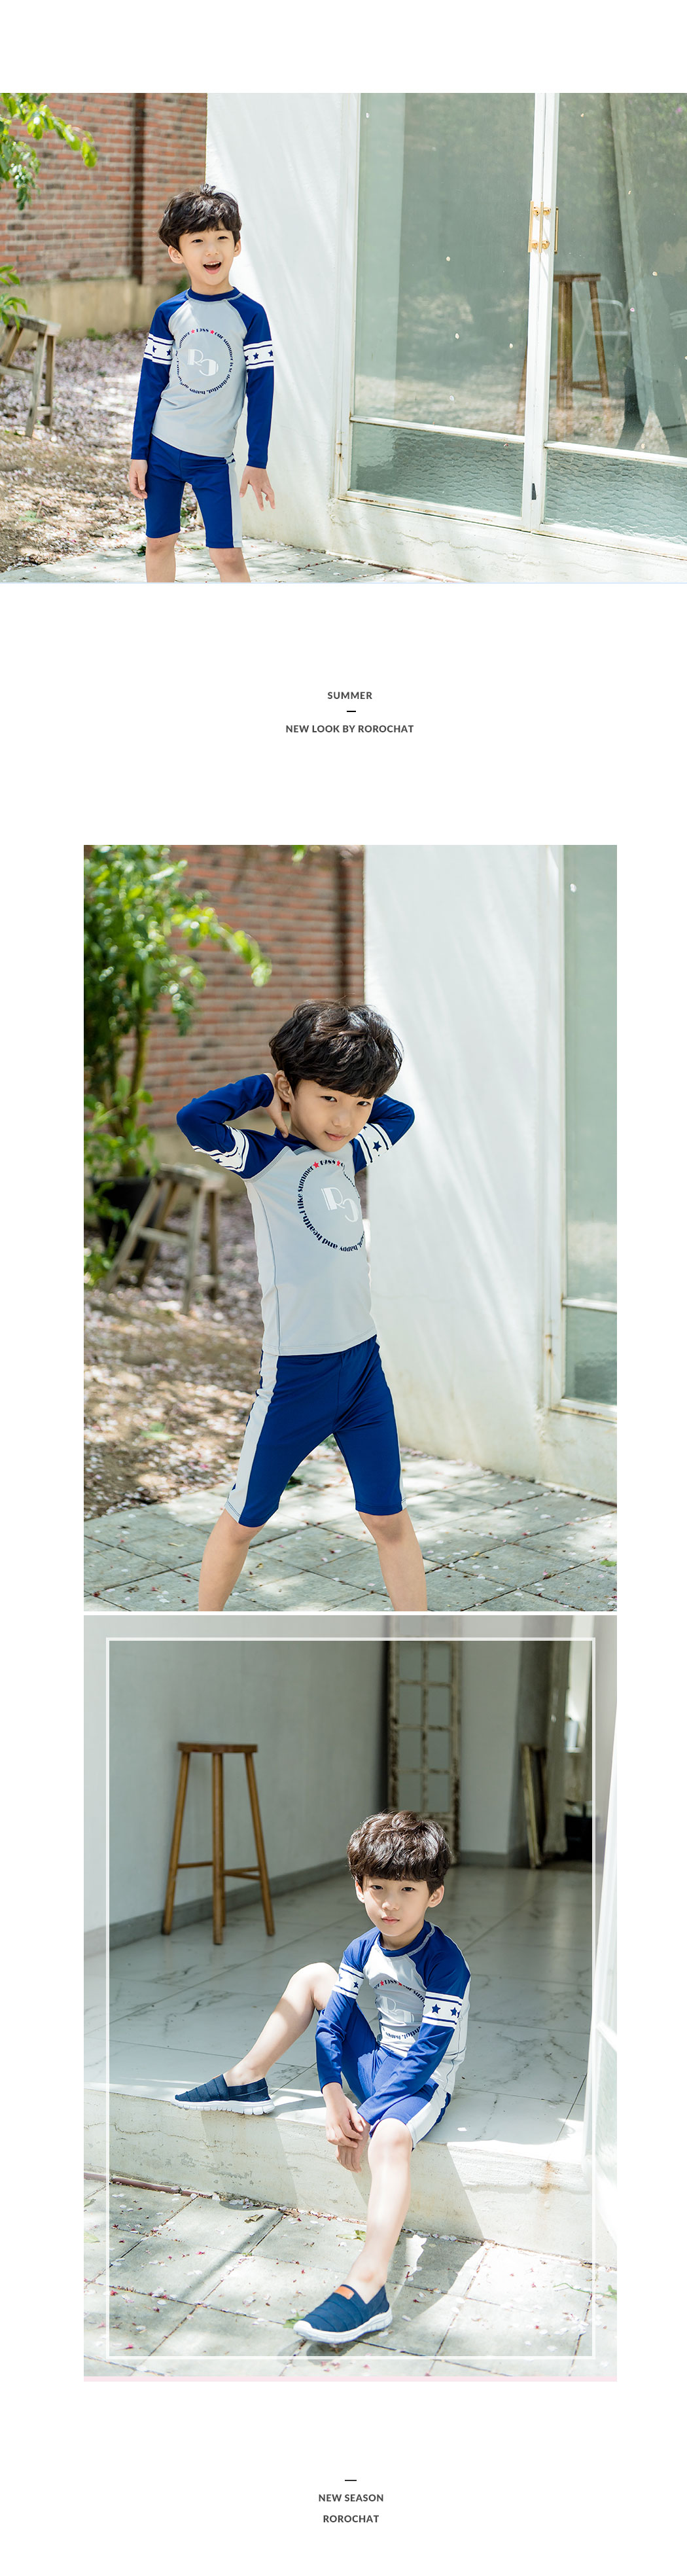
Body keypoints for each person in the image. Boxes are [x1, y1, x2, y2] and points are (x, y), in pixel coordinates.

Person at [176, 1810, 470, 2348]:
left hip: (423, 2081)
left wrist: (368, 2115)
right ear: (359, 1888)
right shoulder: (363, 1947)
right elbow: (331, 2027)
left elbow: (427, 2056)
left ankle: (369, 2286)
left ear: (435, 1895)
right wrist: (335, 2098)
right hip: (377, 2063)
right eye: (378, 1887)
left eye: (407, 1890)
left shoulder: (446, 1961)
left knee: (391, 2138)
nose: (390, 1903)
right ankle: (246, 2078)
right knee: (315, 1976)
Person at [176, 1001, 427, 1611]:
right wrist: (268, 1089)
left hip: (363, 1370)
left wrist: (350, 1095)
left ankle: (422, 1638)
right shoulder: (264, 1160)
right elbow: (194, 1120)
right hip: (296, 1377)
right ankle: (199, 1634)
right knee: (245, 1520)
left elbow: (402, 1113)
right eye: (330, 1099)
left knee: (388, 1517)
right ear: (292, 1090)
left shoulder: (347, 1153)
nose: (346, 1119)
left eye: (360, 1103)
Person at [129, 183, 274, 584]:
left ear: (237, 246)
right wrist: (139, 453)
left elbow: (262, 392)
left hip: (214, 459)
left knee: (228, 557)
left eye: (221, 239)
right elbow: (150, 386)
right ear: (176, 252)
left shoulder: (251, 316)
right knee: (159, 543)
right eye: (198, 241)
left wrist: (258, 460)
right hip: (162, 449)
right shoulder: (169, 313)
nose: (212, 250)